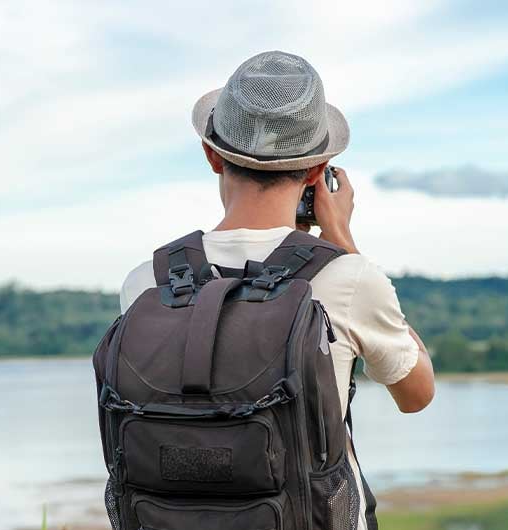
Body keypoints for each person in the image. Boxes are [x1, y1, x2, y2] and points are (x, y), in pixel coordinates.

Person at [117, 50, 435, 530]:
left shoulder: (148, 281)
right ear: (316, 171)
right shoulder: (348, 279)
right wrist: (343, 242)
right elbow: (416, 394)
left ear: (212, 155)